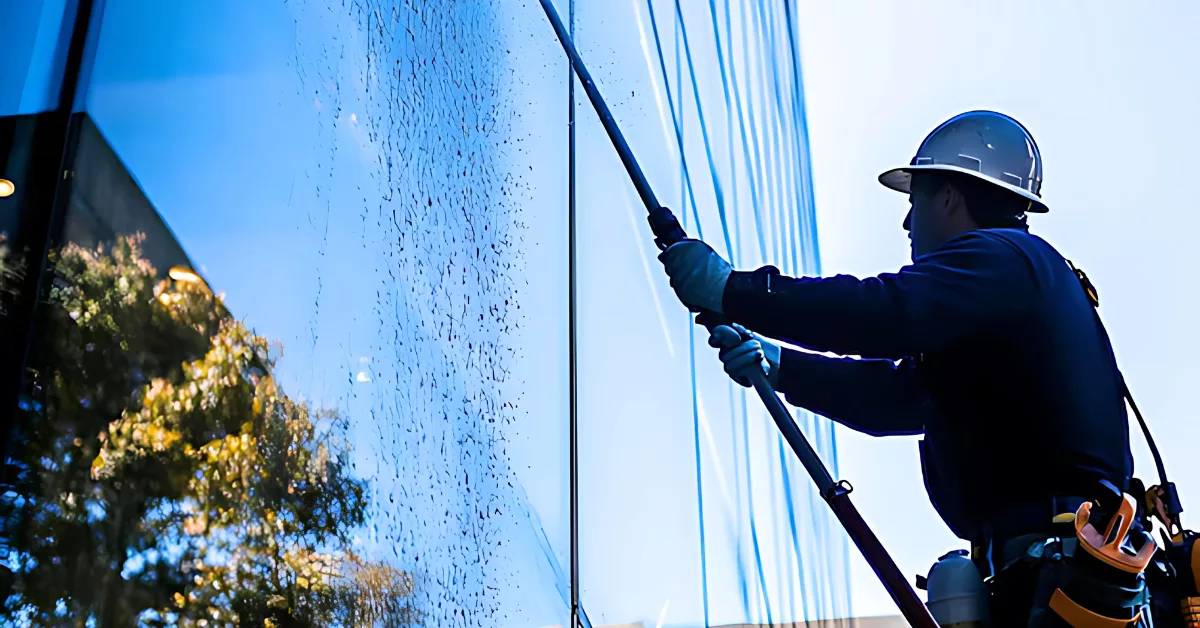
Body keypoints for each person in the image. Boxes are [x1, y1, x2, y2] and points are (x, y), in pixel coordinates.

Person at [658, 111, 1142, 622]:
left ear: (951, 196)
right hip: (1046, 575)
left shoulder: (1003, 259)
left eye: (916, 203)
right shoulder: (1011, 285)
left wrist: (735, 292)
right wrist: (781, 367)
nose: (908, 223)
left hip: (1052, 567)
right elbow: (906, 399)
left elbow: (884, 313)